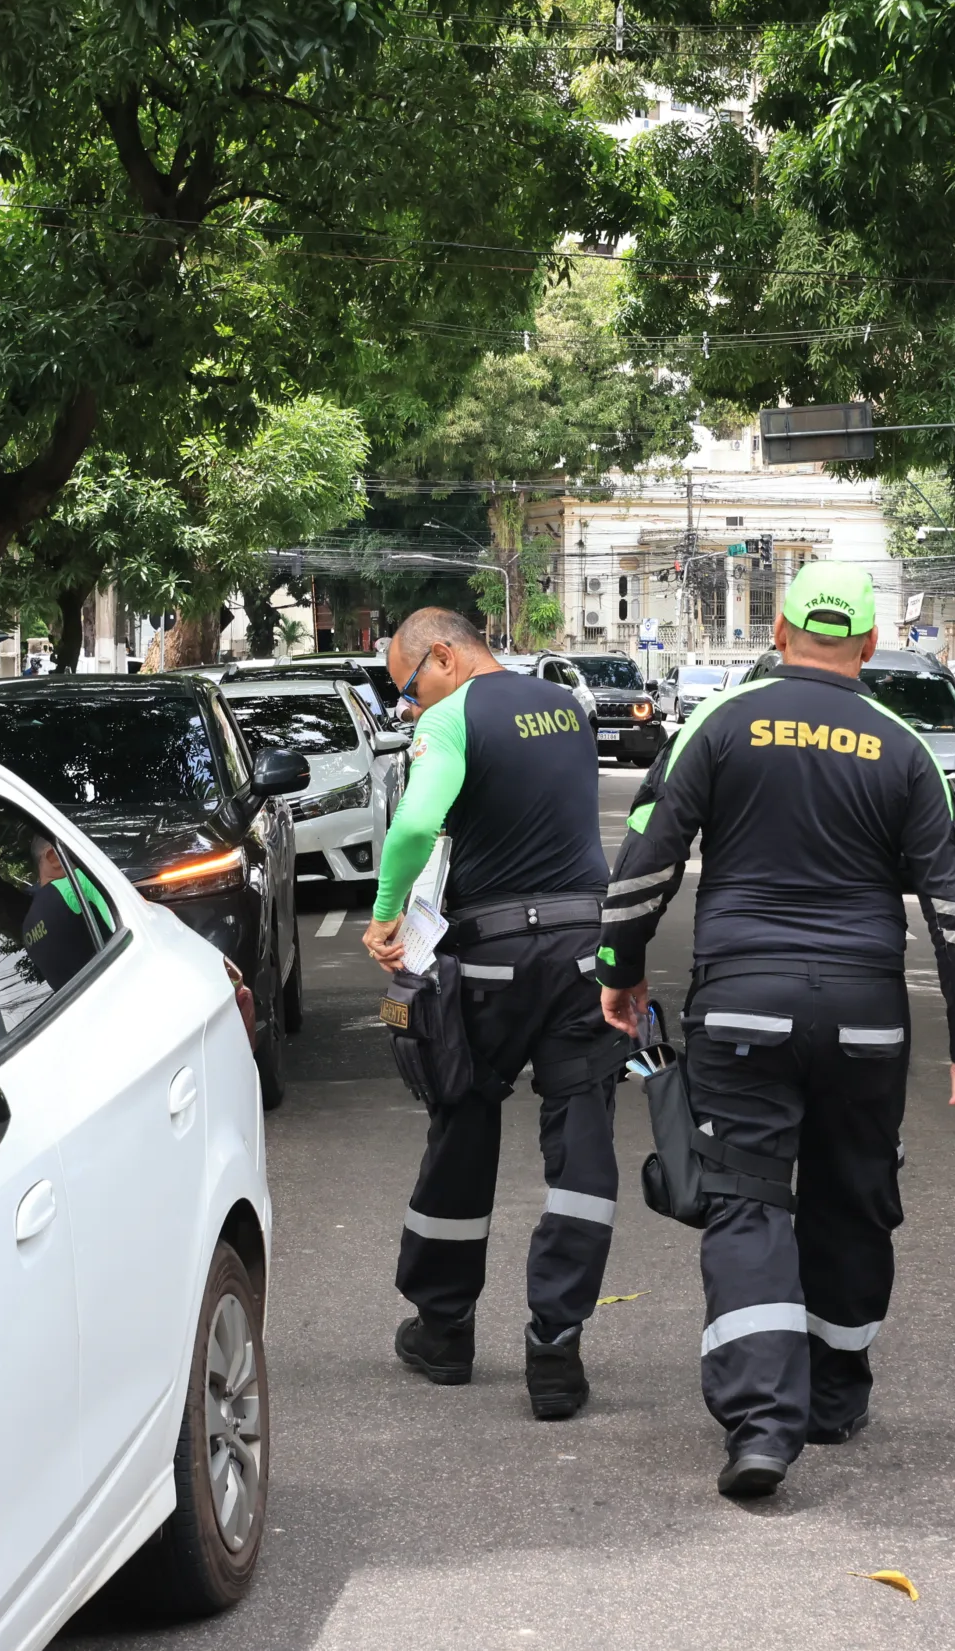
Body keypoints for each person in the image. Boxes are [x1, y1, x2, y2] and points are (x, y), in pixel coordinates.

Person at [594, 560, 955, 1501]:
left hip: (741, 1004)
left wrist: (618, 972)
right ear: (867, 644)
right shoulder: (905, 748)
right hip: (865, 1016)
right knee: (852, 1194)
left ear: (777, 632)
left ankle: (762, 1425)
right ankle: (836, 1395)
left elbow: (649, 853)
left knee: (746, 1200)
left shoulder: (720, 722)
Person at [363, 606, 626, 1421]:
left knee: (465, 1117)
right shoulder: (567, 706)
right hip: (584, 947)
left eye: (410, 688)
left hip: (491, 957)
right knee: (581, 1137)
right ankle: (556, 1347)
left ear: (443, 655)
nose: (410, 707)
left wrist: (386, 909)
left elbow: (414, 822)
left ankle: (444, 1332)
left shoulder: (454, 716)